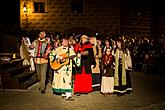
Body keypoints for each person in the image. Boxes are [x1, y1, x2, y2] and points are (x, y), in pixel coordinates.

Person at [49, 37, 81, 101]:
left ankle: (68, 95)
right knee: (60, 80)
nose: (66, 42)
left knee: (67, 81)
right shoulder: (57, 49)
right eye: (64, 41)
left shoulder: (70, 50)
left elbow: (74, 57)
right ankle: (63, 93)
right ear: (61, 42)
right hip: (59, 68)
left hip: (67, 68)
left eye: (67, 41)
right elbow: (51, 55)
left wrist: (78, 57)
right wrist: (58, 56)